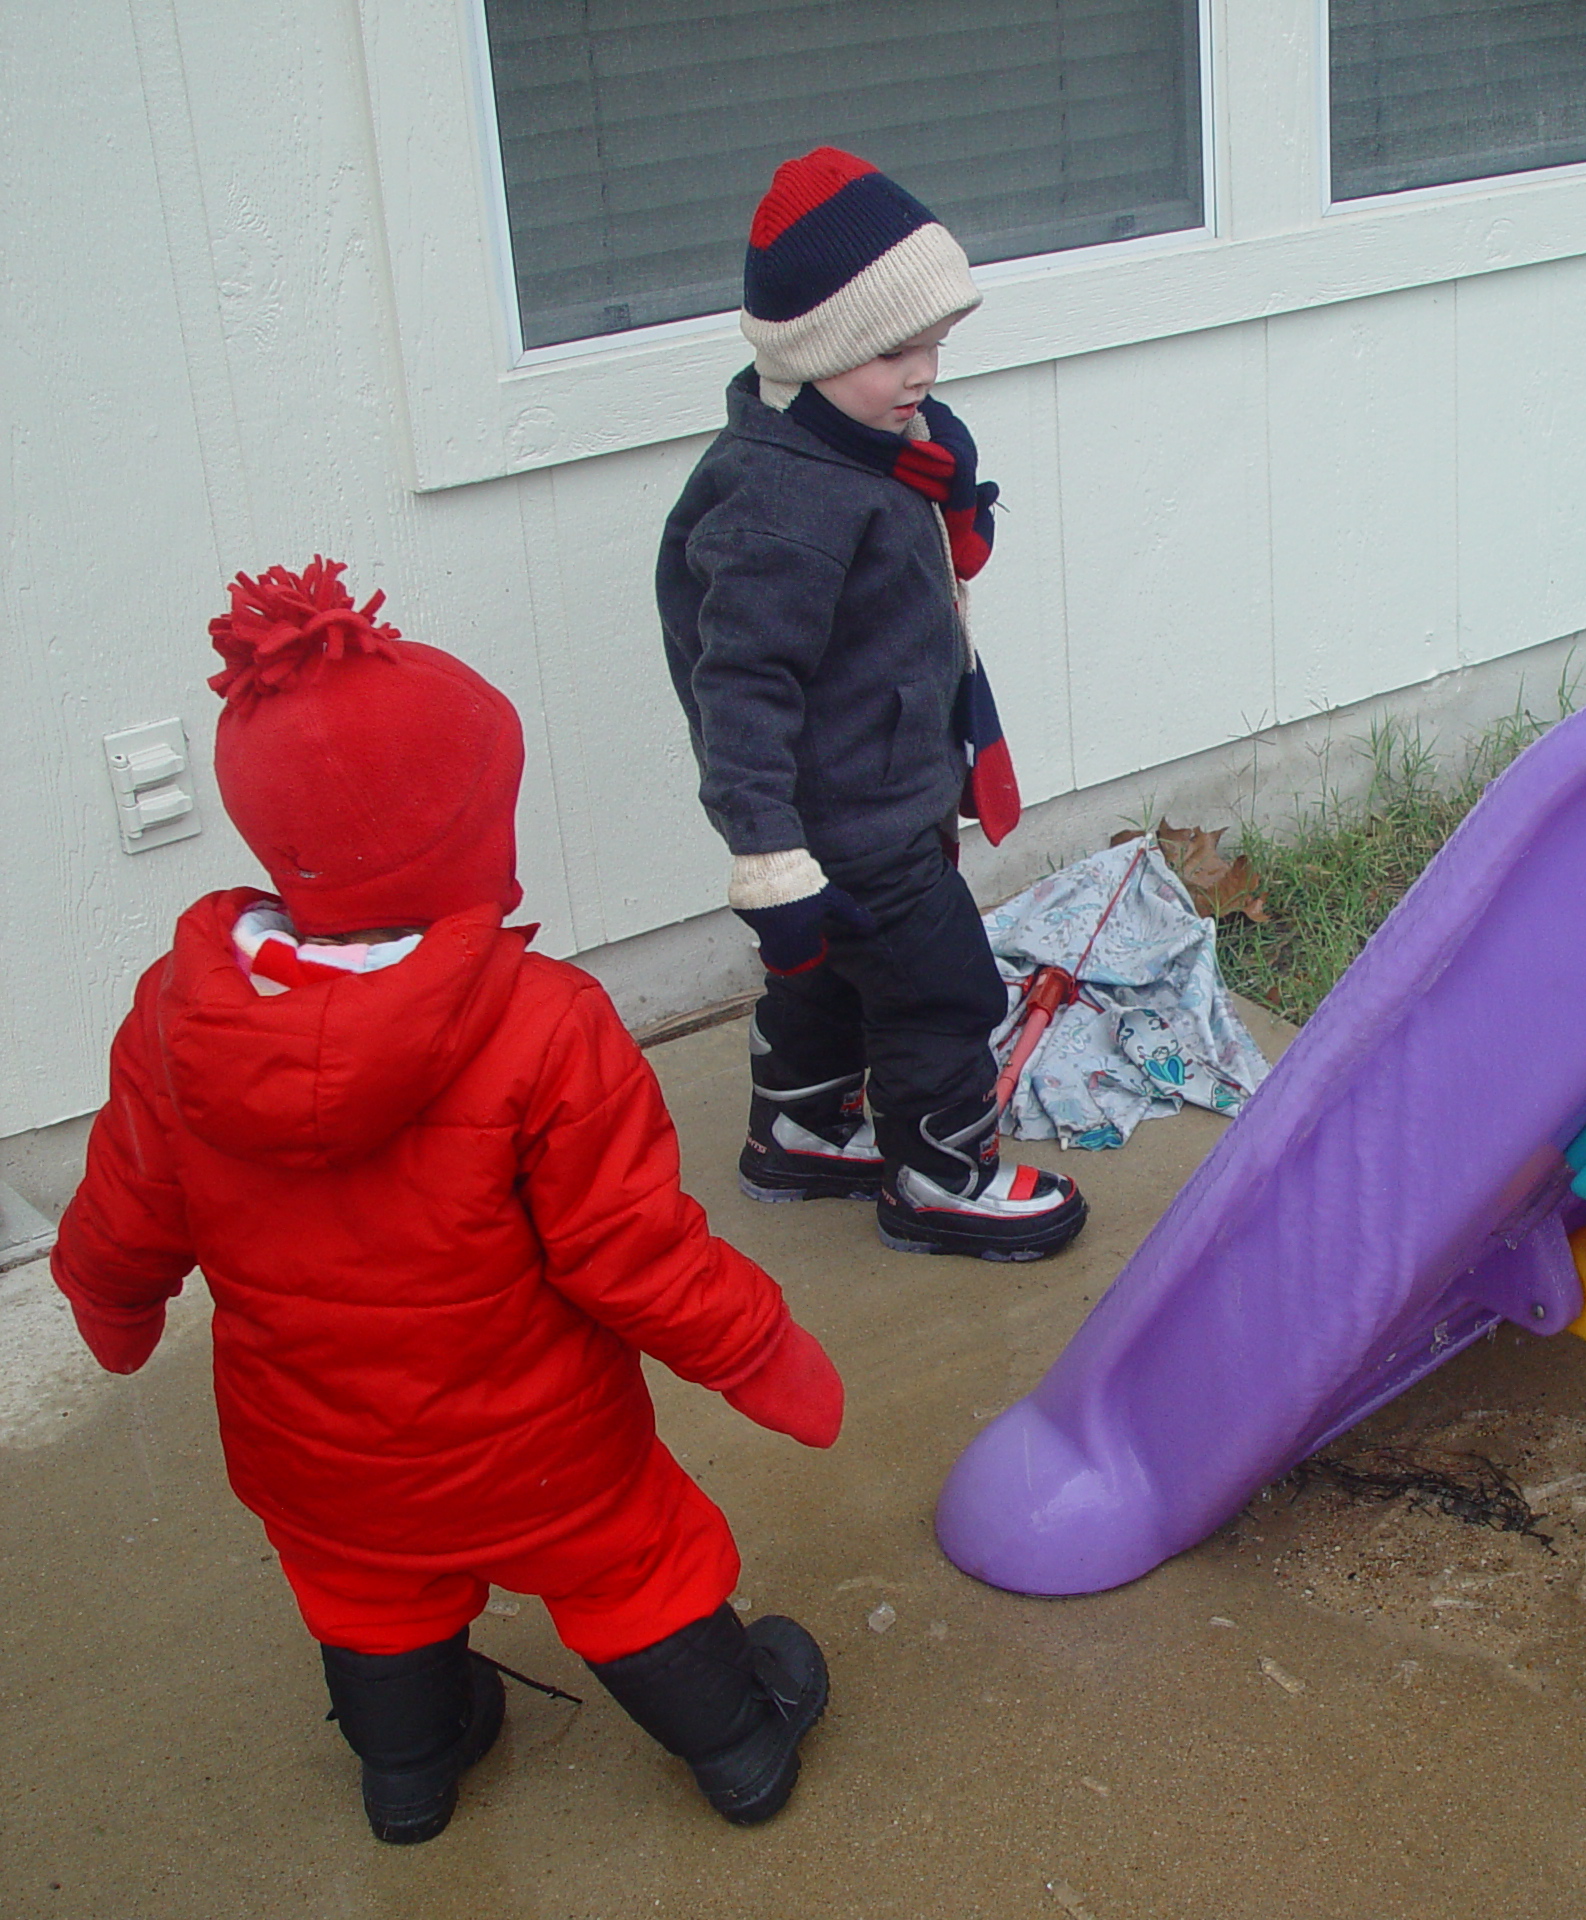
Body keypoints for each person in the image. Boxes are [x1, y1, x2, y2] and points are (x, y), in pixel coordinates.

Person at [49, 560, 843, 1844]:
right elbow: (630, 1253)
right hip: (537, 1447)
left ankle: (410, 1774)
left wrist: (108, 1298)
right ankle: (741, 1743)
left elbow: (131, 1200)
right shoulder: (544, 1025)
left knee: (368, 1590)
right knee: (627, 1564)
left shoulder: (180, 1014)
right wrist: (761, 1353)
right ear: (464, 832)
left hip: (318, 1450)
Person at [657, 146, 1086, 1262]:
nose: (924, 376)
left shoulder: (862, 448)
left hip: (874, 788)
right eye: (897, 351)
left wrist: (943, 478)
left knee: (837, 974)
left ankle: (799, 1130)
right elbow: (740, 684)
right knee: (940, 986)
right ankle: (944, 1178)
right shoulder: (783, 500)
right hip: (850, 817)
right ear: (820, 347)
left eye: (936, 347)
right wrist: (767, 862)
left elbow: (919, 568)